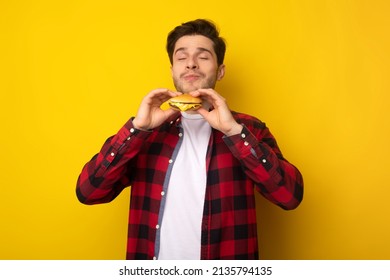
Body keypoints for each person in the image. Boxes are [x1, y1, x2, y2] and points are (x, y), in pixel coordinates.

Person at [76, 19, 303, 260]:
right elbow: (89, 192)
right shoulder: (148, 133)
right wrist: (137, 129)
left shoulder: (248, 129)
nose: (191, 64)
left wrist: (235, 133)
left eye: (203, 57)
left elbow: (289, 197)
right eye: (181, 57)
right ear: (172, 69)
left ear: (220, 70)